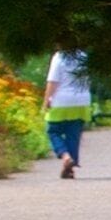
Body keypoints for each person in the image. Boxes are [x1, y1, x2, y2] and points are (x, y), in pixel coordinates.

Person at [43, 50, 93, 178]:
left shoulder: (59, 57)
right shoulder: (84, 56)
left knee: (53, 131)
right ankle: (69, 168)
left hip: (61, 100)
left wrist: (47, 100)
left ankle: (65, 156)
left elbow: (53, 81)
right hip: (82, 100)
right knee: (73, 134)